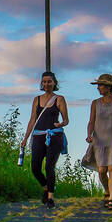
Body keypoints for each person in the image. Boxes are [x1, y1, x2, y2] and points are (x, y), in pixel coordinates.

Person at [19, 70, 69, 207]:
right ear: (42, 83)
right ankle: (46, 188)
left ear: (54, 83)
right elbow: (32, 120)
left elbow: (66, 120)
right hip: (38, 136)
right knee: (35, 167)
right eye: (44, 82)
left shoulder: (59, 99)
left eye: (49, 81)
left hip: (54, 136)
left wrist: (61, 124)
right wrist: (25, 138)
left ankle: (51, 198)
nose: (47, 84)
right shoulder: (37, 99)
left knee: (49, 166)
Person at [83, 73, 112, 210]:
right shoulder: (95, 103)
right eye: (98, 85)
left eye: (101, 85)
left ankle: (111, 198)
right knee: (102, 170)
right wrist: (89, 134)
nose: (98, 87)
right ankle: (106, 190)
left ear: (109, 87)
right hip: (99, 139)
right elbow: (91, 121)